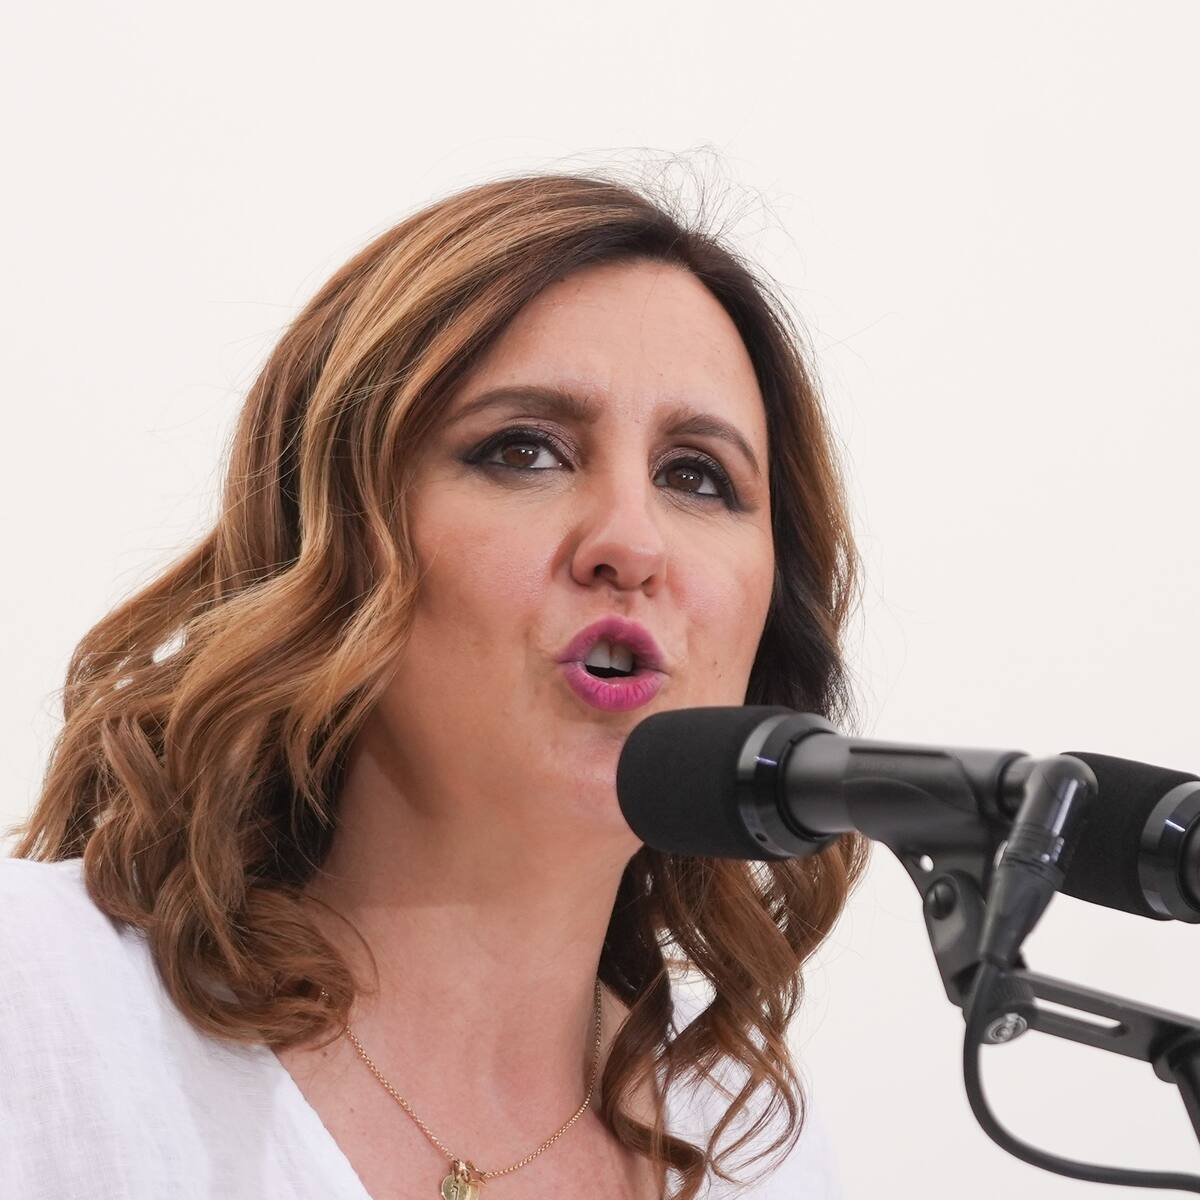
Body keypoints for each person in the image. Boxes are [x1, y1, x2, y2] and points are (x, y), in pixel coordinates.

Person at [1, 170, 869, 1199]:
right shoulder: (42, 999)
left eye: (696, 476)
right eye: (525, 451)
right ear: (329, 539)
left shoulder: (747, 1143)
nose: (631, 543)